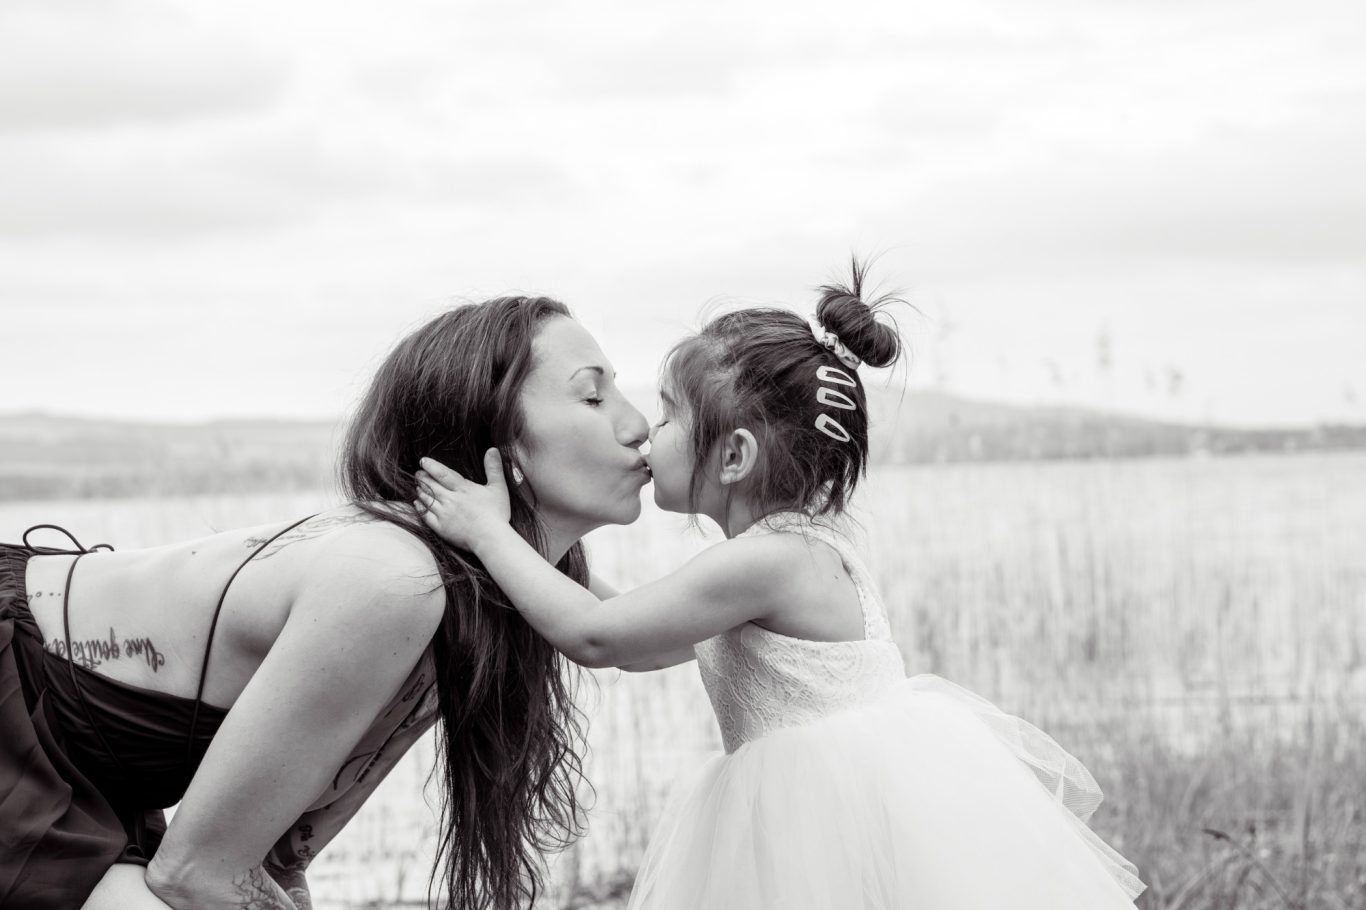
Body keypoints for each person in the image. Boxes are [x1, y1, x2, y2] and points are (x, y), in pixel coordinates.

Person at [415, 262, 1148, 908]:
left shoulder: (767, 562)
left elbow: (596, 636)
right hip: (818, 815)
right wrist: (534, 553)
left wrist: (489, 535)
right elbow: (635, 640)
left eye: (670, 416)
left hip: (828, 822)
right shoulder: (779, 557)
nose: (646, 432)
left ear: (733, 456)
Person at [0, 295, 653, 910]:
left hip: (85, 761)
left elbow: (280, 858)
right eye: (593, 396)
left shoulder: (484, 590)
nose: (637, 424)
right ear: (496, 442)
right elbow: (199, 873)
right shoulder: (391, 579)